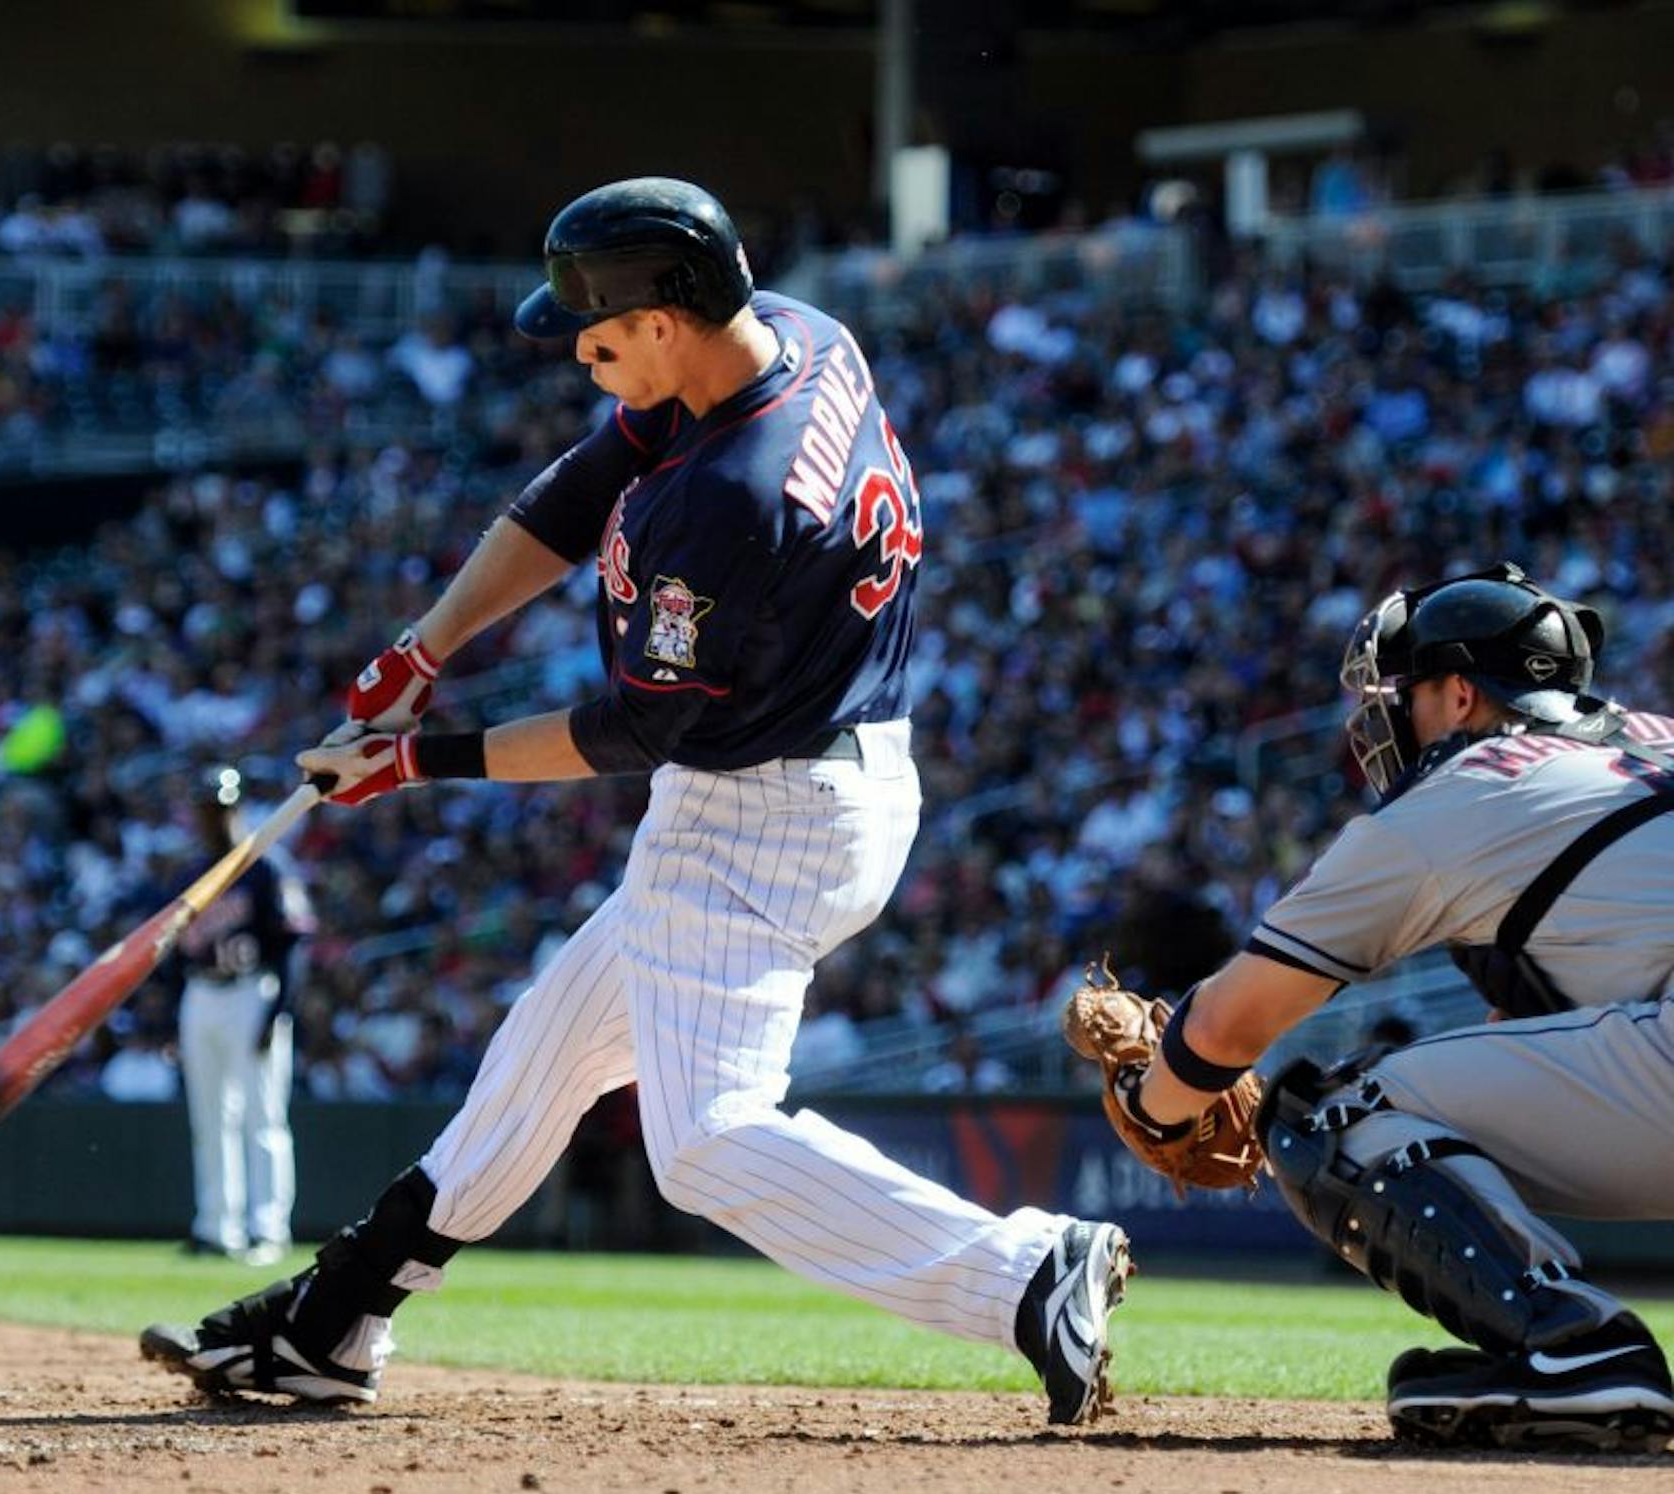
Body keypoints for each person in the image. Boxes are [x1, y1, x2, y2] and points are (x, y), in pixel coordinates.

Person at [141, 176, 1129, 1425]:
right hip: (830, 777)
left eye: (598, 335)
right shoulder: (796, 335)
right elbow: (577, 488)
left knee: (706, 1141)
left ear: (664, 320)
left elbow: (636, 728)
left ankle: (1024, 1275)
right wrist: (426, 647)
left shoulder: (728, 493)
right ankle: (333, 1320)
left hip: (761, 816)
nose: (584, 356)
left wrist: (414, 761)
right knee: (543, 1060)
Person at [1128, 563, 1674, 1450]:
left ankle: (1575, 1352)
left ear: (1460, 694)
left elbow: (1229, 1027)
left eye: (1409, 690)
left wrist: (1149, 1105)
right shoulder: (1649, 741)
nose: (1392, 714)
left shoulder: (1465, 788)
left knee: (1331, 1112)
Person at [172, 765, 314, 1263]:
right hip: (202, 994)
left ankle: (268, 1228)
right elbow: (176, 953)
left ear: (237, 808)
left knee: (263, 1116)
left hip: (254, 991)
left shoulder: (268, 868)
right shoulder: (192, 875)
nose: (214, 817)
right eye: (206, 809)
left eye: (221, 807)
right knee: (209, 1117)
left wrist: (278, 1011)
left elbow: (295, 947)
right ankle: (215, 1226)